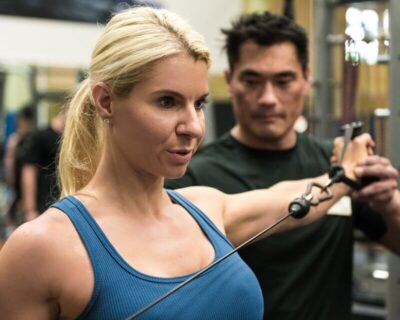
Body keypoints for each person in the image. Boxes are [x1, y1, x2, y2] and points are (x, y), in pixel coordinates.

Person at [0, 7, 373, 320]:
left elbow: (291, 199)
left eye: (199, 104)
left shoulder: (205, 208)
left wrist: (346, 172)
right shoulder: (42, 248)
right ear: (107, 102)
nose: (194, 127)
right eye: (167, 102)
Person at [166, 11, 400, 320]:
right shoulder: (193, 175)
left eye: (283, 80)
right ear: (230, 81)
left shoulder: (335, 162)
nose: (268, 98)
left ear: (306, 78)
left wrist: (390, 205)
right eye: (252, 80)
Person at [20, 106, 66, 221]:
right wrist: (30, 209)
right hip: (44, 204)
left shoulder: (70, 138)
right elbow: (28, 172)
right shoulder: (41, 136)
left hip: (64, 204)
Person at [3, 105, 34, 232]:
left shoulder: (32, 138)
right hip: (16, 183)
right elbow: (9, 163)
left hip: (25, 183)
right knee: (14, 210)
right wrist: (10, 180)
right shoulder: (15, 140)